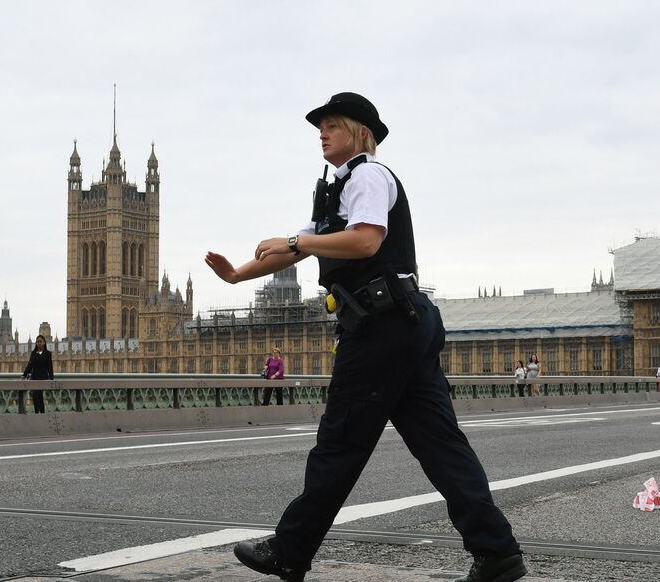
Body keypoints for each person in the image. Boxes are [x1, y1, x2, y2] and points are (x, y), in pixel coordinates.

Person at [208, 92, 524, 582]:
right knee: (441, 445)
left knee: (340, 443)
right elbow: (290, 253)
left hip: (381, 325)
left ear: (359, 131)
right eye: (320, 126)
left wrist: (296, 241)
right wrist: (237, 276)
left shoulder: (368, 176)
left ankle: (291, 550)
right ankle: (497, 552)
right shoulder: (335, 191)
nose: (322, 132)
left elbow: (366, 238)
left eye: (332, 124)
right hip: (403, 323)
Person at [21, 334, 53, 414]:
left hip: (43, 377)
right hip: (34, 377)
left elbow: (50, 366)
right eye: (37, 342)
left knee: (39, 395)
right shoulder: (33, 353)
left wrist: (51, 378)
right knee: (35, 395)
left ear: (44, 343)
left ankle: (41, 412)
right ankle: (37, 412)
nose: (39, 343)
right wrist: (24, 375)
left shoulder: (48, 353)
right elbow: (30, 365)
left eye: (40, 342)